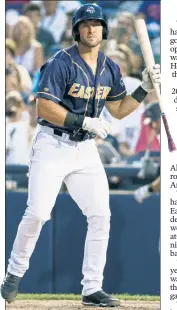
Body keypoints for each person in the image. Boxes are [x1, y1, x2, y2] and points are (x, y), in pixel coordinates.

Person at [1, 3, 161, 307]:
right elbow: (43, 108)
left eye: (96, 24)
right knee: (37, 214)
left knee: (101, 215)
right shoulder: (60, 62)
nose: (91, 29)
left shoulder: (109, 67)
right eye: (85, 25)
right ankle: (14, 271)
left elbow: (118, 109)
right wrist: (83, 121)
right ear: (76, 30)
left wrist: (143, 89)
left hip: (85, 149)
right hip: (53, 145)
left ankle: (92, 288)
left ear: (104, 29)